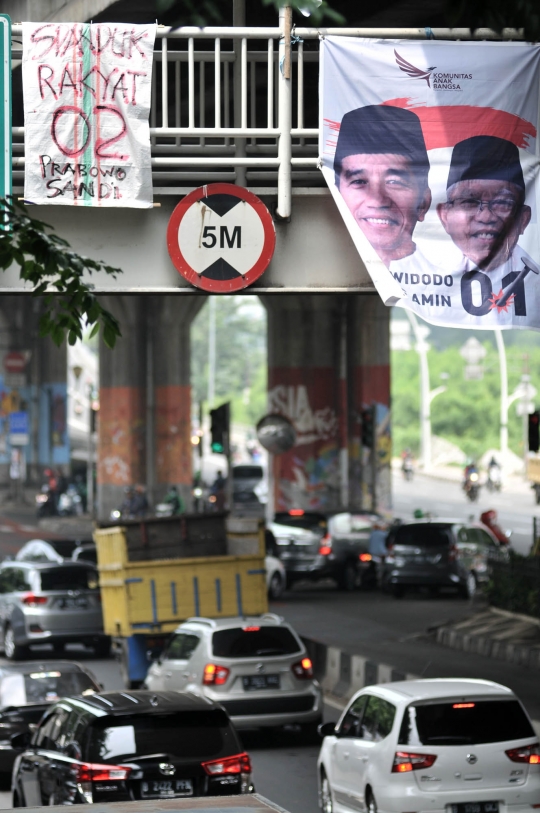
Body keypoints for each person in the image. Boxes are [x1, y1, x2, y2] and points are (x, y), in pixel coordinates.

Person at [434, 135, 540, 326]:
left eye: (502, 203)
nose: (486, 217)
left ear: (523, 219)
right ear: (445, 216)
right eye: (468, 202)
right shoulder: (421, 280)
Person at [334, 105, 432, 268]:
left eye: (394, 182)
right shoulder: (316, 268)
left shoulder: (450, 288)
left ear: (423, 203)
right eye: (359, 181)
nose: (377, 200)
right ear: (337, 196)